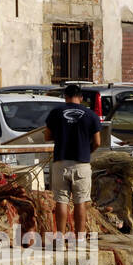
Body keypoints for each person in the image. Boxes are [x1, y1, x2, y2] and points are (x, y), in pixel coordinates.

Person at [44, 84, 103, 235]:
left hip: (61, 162)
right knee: (80, 202)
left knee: (61, 201)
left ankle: (60, 239)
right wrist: (87, 151)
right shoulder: (91, 115)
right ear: (81, 97)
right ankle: (80, 240)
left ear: (65, 97)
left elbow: (47, 136)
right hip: (82, 164)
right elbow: (97, 142)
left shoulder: (56, 112)